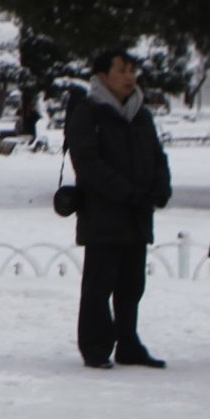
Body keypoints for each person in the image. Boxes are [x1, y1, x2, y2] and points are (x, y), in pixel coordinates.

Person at [62, 48, 172, 369]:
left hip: (137, 213)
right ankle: (95, 345)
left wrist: (160, 187)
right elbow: (88, 163)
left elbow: (157, 155)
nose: (129, 76)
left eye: (132, 70)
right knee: (99, 284)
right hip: (103, 213)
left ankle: (128, 342)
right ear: (101, 76)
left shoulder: (141, 114)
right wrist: (127, 193)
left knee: (131, 285)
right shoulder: (88, 113)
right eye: (122, 70)